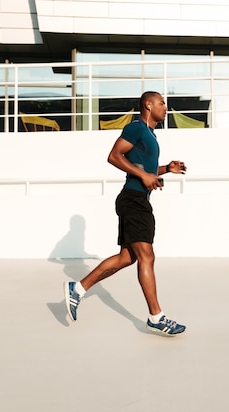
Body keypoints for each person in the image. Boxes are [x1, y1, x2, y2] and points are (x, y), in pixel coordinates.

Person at [63, 91, 187, 336]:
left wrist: (165, 170)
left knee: (127, 258)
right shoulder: (136, 128)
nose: (166, 107)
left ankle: (77, 288)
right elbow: (113, 156)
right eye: (162, 103)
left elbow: (144, 169)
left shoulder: (151, 134)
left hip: (138, 199)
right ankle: (156, 316)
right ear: (148, 105)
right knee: (147, 257)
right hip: (133, 201)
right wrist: (144, 176)